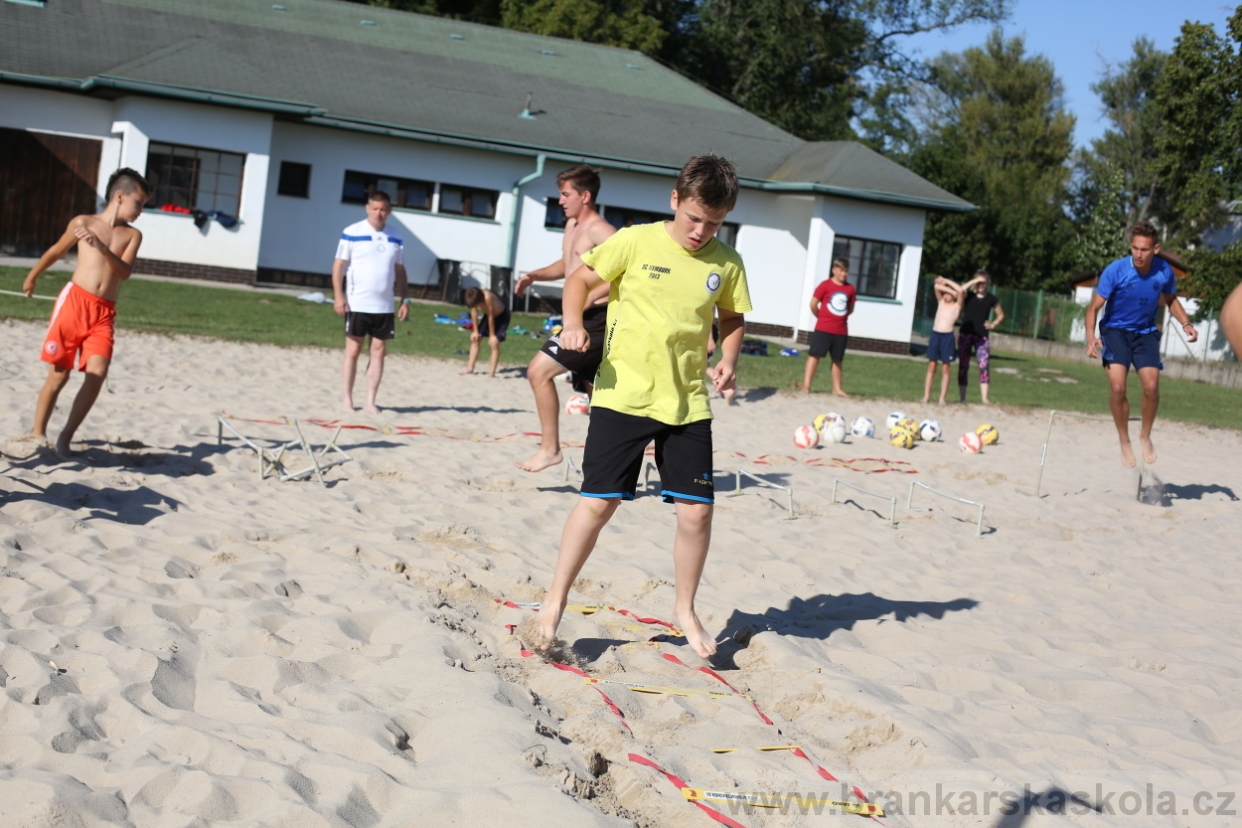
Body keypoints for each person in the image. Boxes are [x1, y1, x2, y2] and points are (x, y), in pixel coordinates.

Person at [533, 153, 751, 659]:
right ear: (675, 201)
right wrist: (570, 322)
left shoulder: (727, 263)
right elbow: (579, 283)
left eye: (714, 223)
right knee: (599, 503)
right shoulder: (633, 239)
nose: (701, 231)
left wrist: (730, 359)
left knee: (697, 513)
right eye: (694, 217)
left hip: (687, 403)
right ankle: (554, 600)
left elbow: (732, 318)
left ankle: (684, 609)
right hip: (623, 395)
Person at [23, 168, 150, 458]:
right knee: (58, 376)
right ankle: (38, 433)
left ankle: (65, 438)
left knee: (97, 373)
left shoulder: (133, 235)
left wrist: (102, 248)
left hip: (103, 313)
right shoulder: (83, 222)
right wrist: (33, 275)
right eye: (139, 203)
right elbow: (57, 250)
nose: (142, 210)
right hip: (73, 304)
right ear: (120, 196)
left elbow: (125, 272)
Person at [514, 166, 616, 471]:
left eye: (566, 194)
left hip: (597, 318)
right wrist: (536, 274)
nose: (560, 200)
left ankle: (550, 450)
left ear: (585, 196)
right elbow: (568, 263)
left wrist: (593, 296)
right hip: (579, 317)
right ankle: (614, 457)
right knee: (597, 393)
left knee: (538, 372)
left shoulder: (601, 230)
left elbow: (628, 269)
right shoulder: (572, 225)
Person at [1085, 222, 1197, 468]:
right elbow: (1093, 308)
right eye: (1134, 248)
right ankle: (1124, 441)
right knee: (1117, 388)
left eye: (1144, 249)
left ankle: (1145, 436)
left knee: (1151, 387)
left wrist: (1186, 323)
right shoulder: (1116, 270)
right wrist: (1090, 336)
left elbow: (1171, 300)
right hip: (1115, 331)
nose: (1138, 254)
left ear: (1155, 249)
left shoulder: (1164, 271)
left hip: (1145, 334)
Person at [333, 190, 409, 414]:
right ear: (368, 208)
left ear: (390, 211)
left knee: (378, 351)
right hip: (357, 303)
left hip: (384, 305)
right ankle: (347, 400)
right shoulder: (352, 232)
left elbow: (400, 270)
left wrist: (405, 299)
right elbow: (338, 265)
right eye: (375, 209)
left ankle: (370, 401)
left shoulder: (396, 236)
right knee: (353, 351)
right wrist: (339, 297)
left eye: (383, 209)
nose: (379, 213)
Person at [801, 257, 855, 396]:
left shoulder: (850, 289)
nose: (844, 274)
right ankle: (806, 385)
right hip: (823, 328)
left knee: (837, 359)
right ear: (834, 270)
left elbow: (850, 308)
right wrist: (821, 317)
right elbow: (813, 304)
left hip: (841, 330)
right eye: (841, 271)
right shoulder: (825, 285)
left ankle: (837, 388)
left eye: (846, 271)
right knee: (815, 355)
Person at [957, 269, 1004, 403]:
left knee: (984, 366)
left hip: (981, 337)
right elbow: (960, 290)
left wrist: (993, 324)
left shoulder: (991, 299)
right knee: (963, 365)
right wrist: (973, 281)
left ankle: (984, 398)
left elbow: (1001, 315)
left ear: (988, 283)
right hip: (965, 334)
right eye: (979, 282)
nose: (981, 285)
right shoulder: (969, 295)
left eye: (984, 282)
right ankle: (962, 397)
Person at [923, 275, 972, 405]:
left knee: (945, 368)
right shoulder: (941, 302)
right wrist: (947, 286)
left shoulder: (956, 306)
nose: (946, 294)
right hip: (935, 335)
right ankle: (926, 396)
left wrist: (950, 285)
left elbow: (961, 292)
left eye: (949, 292)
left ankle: (942, 398)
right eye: (945, 292)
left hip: (947, 337)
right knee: (932, 366)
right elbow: (936, 286)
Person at [460, 286, 509, 377]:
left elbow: (491, 317)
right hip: (489, 316)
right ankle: (470, 368)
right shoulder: (474, 296)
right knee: (475, 339)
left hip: (502, 317)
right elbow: (474, 312)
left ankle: (491, 373)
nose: (476, 306)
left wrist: (492, 335)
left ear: (480, 300)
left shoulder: (487, 297)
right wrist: (475, 331)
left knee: (494, 343)